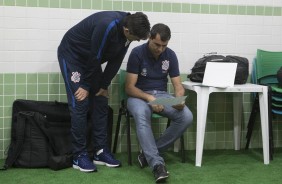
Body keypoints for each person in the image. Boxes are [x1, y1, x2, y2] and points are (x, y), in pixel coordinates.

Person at [57, 11, 150, 172]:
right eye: (137, 38)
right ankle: (79, 155)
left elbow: (116, 60)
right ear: (127, 30)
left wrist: (103, 85)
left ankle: (100, 151)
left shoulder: (127, 30)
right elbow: (96, 55)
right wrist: (85, 86)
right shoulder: (107, 25)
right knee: (80, 102)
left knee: (100, 99)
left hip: (90, 61)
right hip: (72, 56)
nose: (138, 41)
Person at [125, 23, 193, 182]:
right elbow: (129, 88)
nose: (160, 49)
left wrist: (179, 100)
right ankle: (157, 165)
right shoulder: (137, 53)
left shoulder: (170, 55)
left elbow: (178, 86)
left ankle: (148, 153)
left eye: (164, 46)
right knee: (142, 115)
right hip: (139, 96)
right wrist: (149, 98)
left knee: (187, 116)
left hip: (161, 95)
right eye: (157, 44)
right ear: (149, 38)